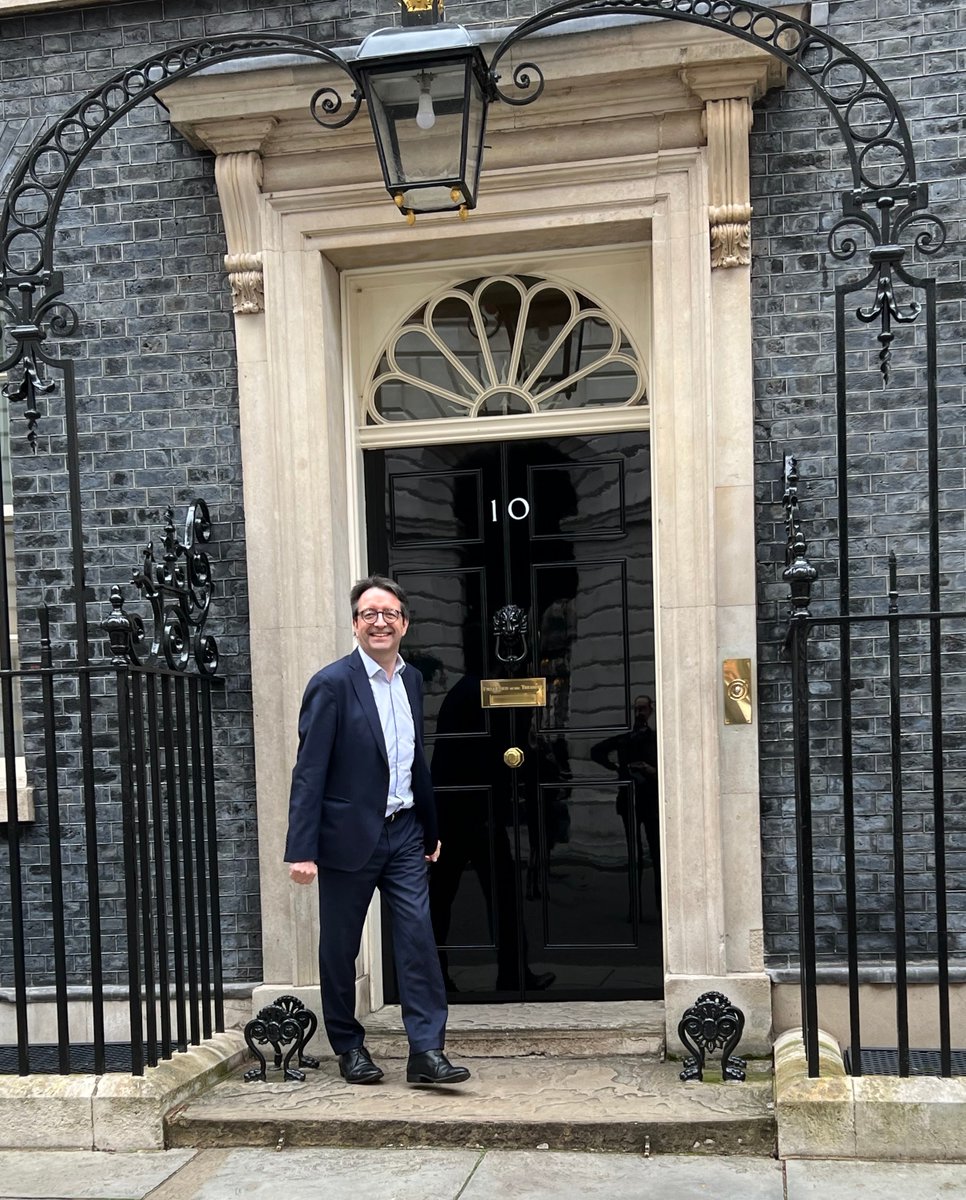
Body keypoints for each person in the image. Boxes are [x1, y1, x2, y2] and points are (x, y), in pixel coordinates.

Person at [284, 575, 470, 1087]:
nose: (380, 622)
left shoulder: (411, 680)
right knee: (341, 947)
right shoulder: (332, 683)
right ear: (355, 625)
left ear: (404, 624)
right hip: (347, 836)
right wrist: (302, 849)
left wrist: (430, 826)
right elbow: (310, 771)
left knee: (417, 938)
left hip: (404, 831)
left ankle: (426, 1051)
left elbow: (414, 762)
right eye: (369, 614)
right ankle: (348, 1046)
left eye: (389, 614)